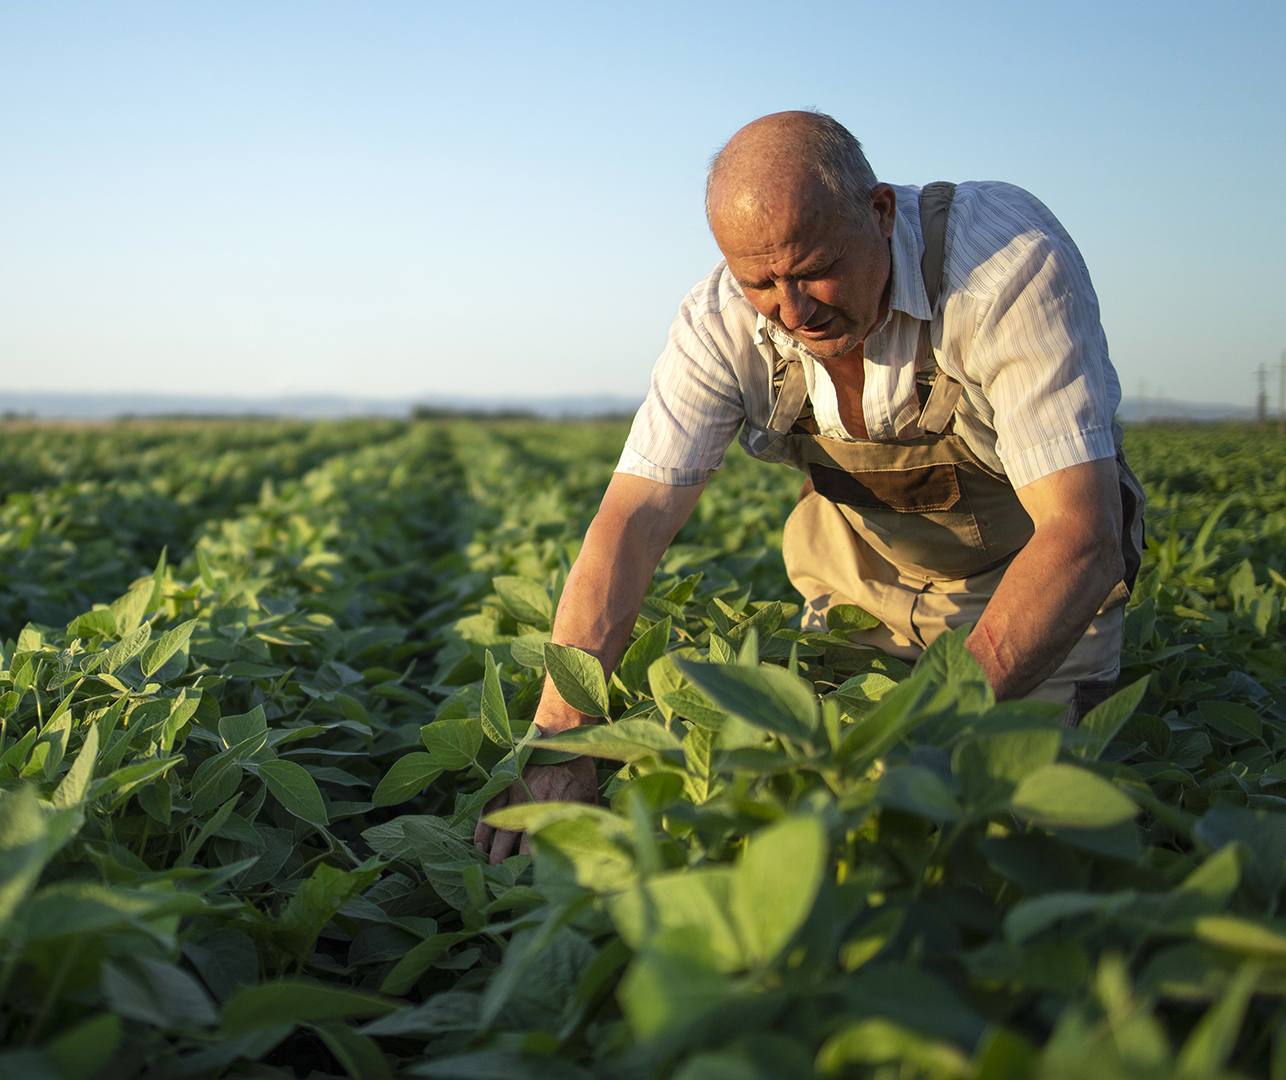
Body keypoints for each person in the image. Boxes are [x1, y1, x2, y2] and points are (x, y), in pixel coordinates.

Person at [474, 111, 1144, 864]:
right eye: (760, 281)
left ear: (881, 213)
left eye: (813, 268)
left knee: (1006, 838)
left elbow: (1082, 540)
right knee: (802, 825)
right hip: (859, 582)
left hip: (1032, 589)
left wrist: (917, 739)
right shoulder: (719, 322)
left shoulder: (1003, 267)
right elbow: (632, 523)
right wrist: (565, 740)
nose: (793, 311)